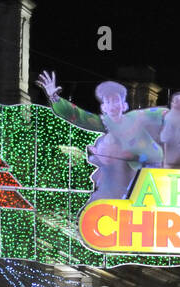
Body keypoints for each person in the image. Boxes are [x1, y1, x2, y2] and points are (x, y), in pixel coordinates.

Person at [38, 71, 167, 200]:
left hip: (154, 167)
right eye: (108, 101)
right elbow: (78, 115)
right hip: (132, 176)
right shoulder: (104, 123)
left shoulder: (136, 117)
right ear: (104, 107)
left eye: (116, 100)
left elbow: (158, 113)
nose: (113, 105)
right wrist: (54, 97)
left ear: (124, 105)